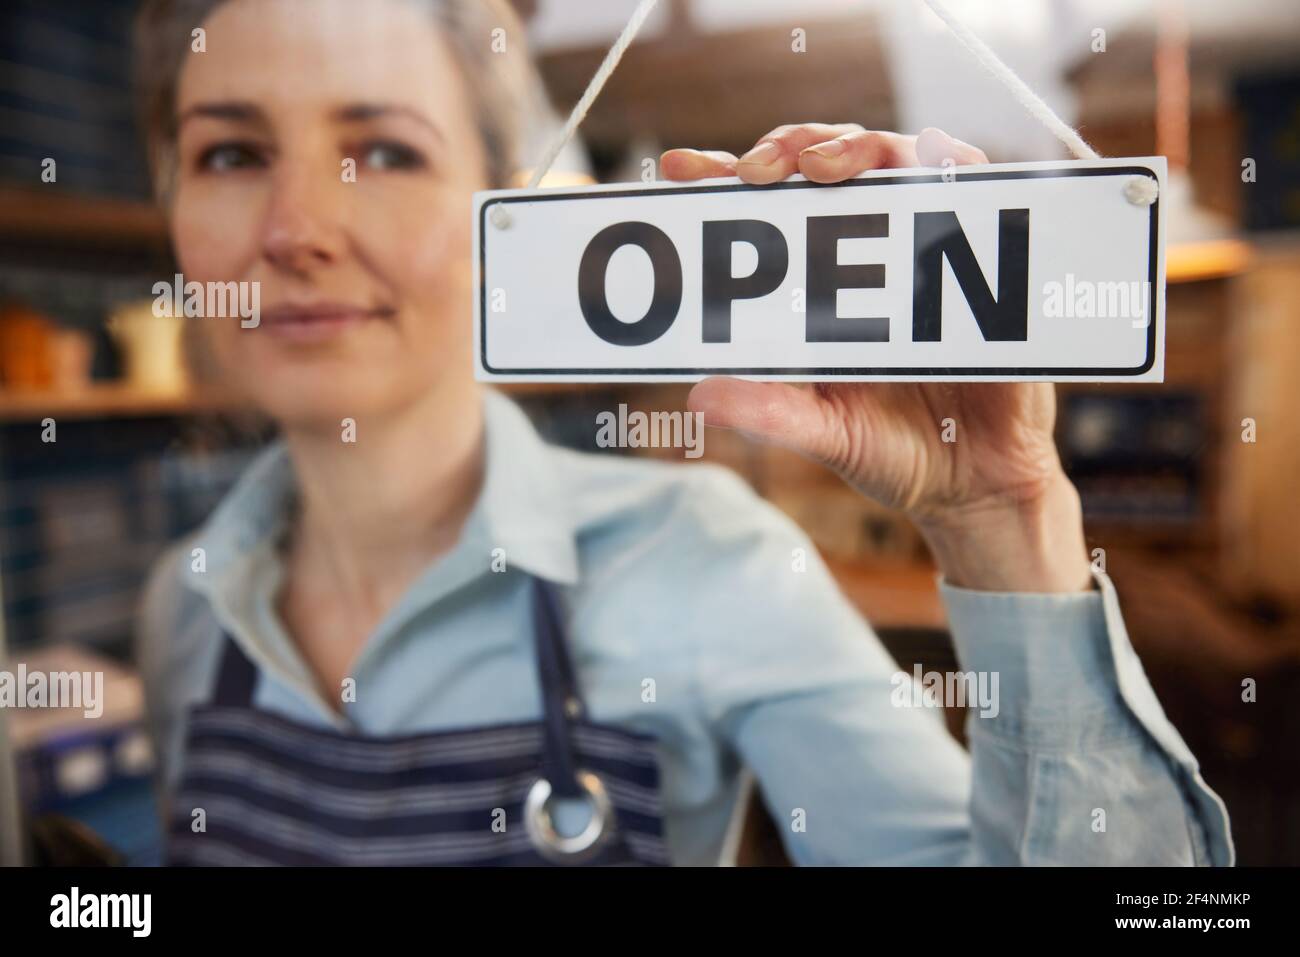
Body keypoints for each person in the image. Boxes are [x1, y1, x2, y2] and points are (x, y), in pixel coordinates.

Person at [134, 0, 1231, 866]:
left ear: (498, 206)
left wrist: (1005, 516)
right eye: (231, 155)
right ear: (171, 197)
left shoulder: (709, 563)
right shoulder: (180, 609)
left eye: (383, 151)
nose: (296, 231)